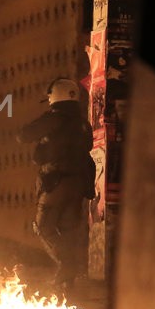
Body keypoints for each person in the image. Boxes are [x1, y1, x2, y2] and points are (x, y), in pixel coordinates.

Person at [17, 78, 95, 289]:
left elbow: (24, 135)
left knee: (44, 227)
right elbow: (88, 146)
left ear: (54, 95)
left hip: (57, 181)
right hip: (80, 182)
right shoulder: (82, 122)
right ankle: (66, 282)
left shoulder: (55, 117)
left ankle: (68, 265)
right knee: (68, 229)